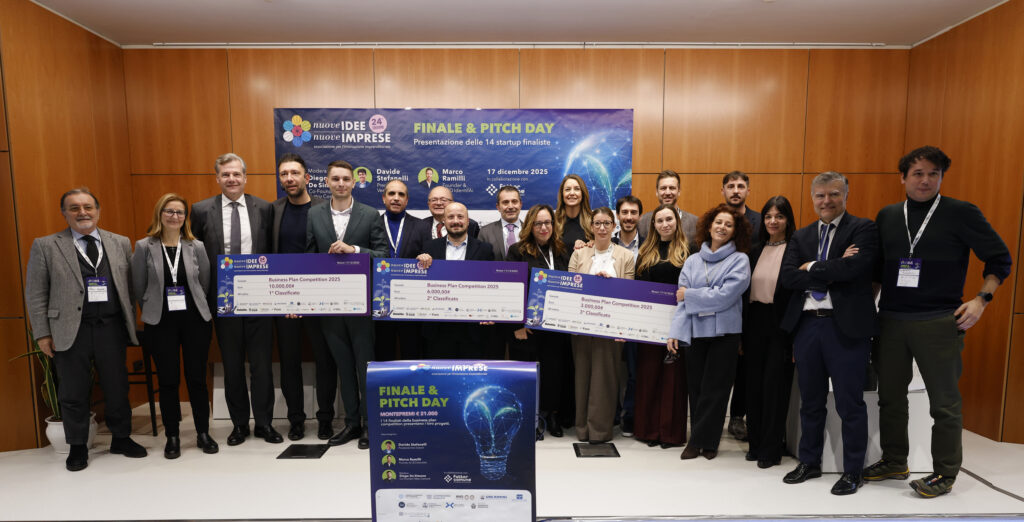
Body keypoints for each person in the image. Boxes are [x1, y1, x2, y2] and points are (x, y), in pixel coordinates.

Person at [864, 146, 1012, 498]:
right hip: (891, 320)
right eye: (918, 173)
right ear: (903, 178)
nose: (926, 180)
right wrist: (868, 312)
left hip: (939, 321)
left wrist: (981, 300)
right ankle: (894, 460)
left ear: (942, 177)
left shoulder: (961, 213)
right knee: (890, 398)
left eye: (934, 173)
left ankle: (945, 472)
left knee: (944, 404)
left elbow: (999, 259)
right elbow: (877, 271)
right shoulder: (887, 216)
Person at [25, 188, 147, 471]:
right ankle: (78, 446)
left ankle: (121, 438)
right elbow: (36, 293)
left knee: (117, 386)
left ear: (98, 210)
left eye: (88, 207)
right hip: (70, 330)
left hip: (111, 328)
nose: (83, 212)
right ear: (64, 213)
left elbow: (129, 287)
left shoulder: (119, 242)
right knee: (72, 390)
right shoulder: (46, 245)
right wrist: (42, 333)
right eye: (75, 208)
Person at [779, 171, 878, 496]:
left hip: (845, 327)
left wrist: (811, 267)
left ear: (845, 195)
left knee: (850, 403)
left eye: (834, 194)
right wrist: (834, 267)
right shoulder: (802, 235)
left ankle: (853, 471)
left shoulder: (862, 229)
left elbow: (856, 269)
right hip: (808, 325)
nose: (827, 201)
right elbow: (788, 277)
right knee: (810, 400)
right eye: (820, 195)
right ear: (813, 198)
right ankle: (809, 462)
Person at [191, 153, 277, 445]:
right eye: (226, 174)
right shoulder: (201, 210)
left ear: (245, 177)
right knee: (232, 365)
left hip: (260, 299)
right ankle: (239, 424)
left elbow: (273, 252)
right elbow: (195, 256)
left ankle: (264, 423)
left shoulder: (264, 208)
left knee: (262, 366)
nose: (231, 179)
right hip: (223, 300)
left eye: (236, 174)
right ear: (217, 178)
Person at [307, 159, 388, 450]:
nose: (341, 183)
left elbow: (383, 255)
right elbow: (309, 257)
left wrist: (354, 250)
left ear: (354, 182)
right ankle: (352, 423)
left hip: (361, 304)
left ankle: (369, 424)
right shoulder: (314, 214)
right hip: (329, 304)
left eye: (346, 179)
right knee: (343, 366)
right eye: (336, 179)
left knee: (364, 366)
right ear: (327, 182)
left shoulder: (370, 214)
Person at [132, 193, 215, 459]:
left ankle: (203, 433)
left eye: (179, 212)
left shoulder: (195, 246)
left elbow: (204, 282)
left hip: (195, 321)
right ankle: (172, 436)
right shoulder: (144, 246)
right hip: (160, 323)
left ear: (185, 217)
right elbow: (139, 286)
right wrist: (152, 308)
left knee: (197, 379)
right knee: (168, 380)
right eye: (169, 211)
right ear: (160, 213)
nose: (174, 216)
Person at [668, 204, 751, 461]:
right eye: (718, 222)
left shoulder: (740, 260)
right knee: (696, 388)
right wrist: (675, 332)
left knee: (716, 390)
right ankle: (701, 439)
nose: (722, 227)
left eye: (728, 224)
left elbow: (725, 297)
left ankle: (703, 442)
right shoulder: (693, 260)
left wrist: (691, 295)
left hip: (725, 334)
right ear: (709, 226)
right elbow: (681, 302)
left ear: (735, 231)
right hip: (695, 332)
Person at [271, 153, 337, 441]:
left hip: (320, 297)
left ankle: (325, 419)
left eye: (295, 173)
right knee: (289, 361)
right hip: (285, 298)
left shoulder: (325, 209)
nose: (289, 178)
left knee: (325, 360)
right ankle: (295, 420)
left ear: (307, 178)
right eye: (284, 174)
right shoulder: (273, 211)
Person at [568, 206, 635, 444]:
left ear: (614, 227)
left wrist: (610, 284)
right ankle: (582, 429)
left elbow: (629, 294)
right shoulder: (579, 253)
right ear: (591, 226)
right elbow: (570, 288)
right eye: (597, 223)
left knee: (605, 379)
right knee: (582, 377)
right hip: (581, 327)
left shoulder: (626, 256)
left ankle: (599, 431)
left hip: (611, 329)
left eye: (607, 223)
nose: (602, 228)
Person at [506, 204, 573, 438]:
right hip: (528, 328)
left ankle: (550, 415)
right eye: (538, 223)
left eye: (547, 223)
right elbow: (512, 289)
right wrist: (517, 325)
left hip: (556, 328)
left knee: (554, 373)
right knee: (528, 374)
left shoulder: (562, 250)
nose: (544, 227)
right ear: (530, 226)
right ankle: (527, 420)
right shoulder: (517, 251)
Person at [742, 196, 797, 469]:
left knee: (774, 387)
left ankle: (771, 448)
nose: (773, 221)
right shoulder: (754, 250)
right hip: (754, 322)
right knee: (753, 385)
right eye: (768, 216)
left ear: (788, 220)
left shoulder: (796, 251)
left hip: (781, 325)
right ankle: (755, 444)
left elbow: (797, 295)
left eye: (779, 216)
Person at [633, 204, 690, 449]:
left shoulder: (688, 252)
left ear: (677, 222)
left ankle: (669, 433)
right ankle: (648, 430)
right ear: (653, 225)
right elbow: (637, 289)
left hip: (677, 324)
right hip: (649, 325)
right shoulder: (645, 252)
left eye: (669, 219)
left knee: (673, 379)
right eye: (660, 221)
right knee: (649, 376)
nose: (665, 224)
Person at [416, 202, 496, 358]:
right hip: (438, 329)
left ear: (468, 221)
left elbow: (491, 285)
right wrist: (419, 262)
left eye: (460, 217)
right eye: (451, 217)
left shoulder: (485, 249)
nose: (456, 221)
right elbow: (421, 286)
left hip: (472, 329)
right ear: (444, 221)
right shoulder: (429, 248)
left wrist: (491, 312)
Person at [721, 170, 761, 442]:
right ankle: (714, 417)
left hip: (751, 301)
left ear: (748, 190)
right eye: (731, 186)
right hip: (721, 300)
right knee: (722, 361)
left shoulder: (761, 221)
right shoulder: (716, 219)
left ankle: (737, 416)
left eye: (740, 186)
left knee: (745, 363)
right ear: (723, 190)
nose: (736, 190)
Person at [375, 179, 426, 360]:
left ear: (407, 200)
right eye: (391, 194)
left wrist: (426, 257)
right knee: (382, 353)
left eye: (401, 194)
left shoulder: (421, 226)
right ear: (384, 198)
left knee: (412, 352)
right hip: (379, 300)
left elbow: (429, 257)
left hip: (411, 302)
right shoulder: (372, 224)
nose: (396, 198)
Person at [612, 195, 644, 437]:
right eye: (624, 212)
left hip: (637, 317)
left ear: (640, 216)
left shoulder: (648, 245)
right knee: (611, 368)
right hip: (608, 315)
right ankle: (612, 413)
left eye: (633, 212)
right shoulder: (604, 243)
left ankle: (629, 416)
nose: (629, 217)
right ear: (617, 216)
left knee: (634, 370)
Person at [406, 185, 480, 254]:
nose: (438, 203)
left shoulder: (471, 226)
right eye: (434, 200)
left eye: (443, 200)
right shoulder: (419, 226)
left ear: (452, 203)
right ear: (428, 204)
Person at [638, 170, 698, 248]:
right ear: (657, 192)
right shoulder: (643, 222)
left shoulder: (695, 223)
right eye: (663, 188)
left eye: (672, 188)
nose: (667, 192)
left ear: (679, 191)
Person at [478, 185, 523, 261]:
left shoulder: (531, 231)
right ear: (498, 207)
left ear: (520, 205)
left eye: (514, 201)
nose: (510, 206)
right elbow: (480, 262)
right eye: (505, 202)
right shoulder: (485, 232)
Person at [554, 174, 594, 250]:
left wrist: (595, 244)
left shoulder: (594, 222)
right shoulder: (553, 222)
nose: (572, 193)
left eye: (577, 189)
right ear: (562, 194)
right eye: (567, 189)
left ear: (583, 193)